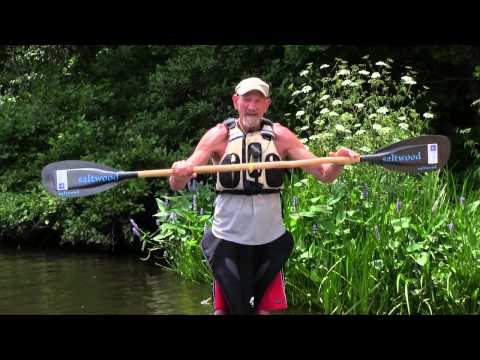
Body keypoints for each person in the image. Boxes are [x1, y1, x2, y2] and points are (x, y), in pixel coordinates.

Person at [169, 77, 359, 315]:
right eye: (247, 99)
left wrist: (340, 160)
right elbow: (177, 184)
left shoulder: (281, 136)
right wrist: (180, 172)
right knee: (223, 312)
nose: (252, 106)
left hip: (269, 240)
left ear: (267, 104)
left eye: (258, 100)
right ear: (235, 101)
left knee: (262, 311)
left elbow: (325, 175)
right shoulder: (218, 136)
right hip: (228, 240)